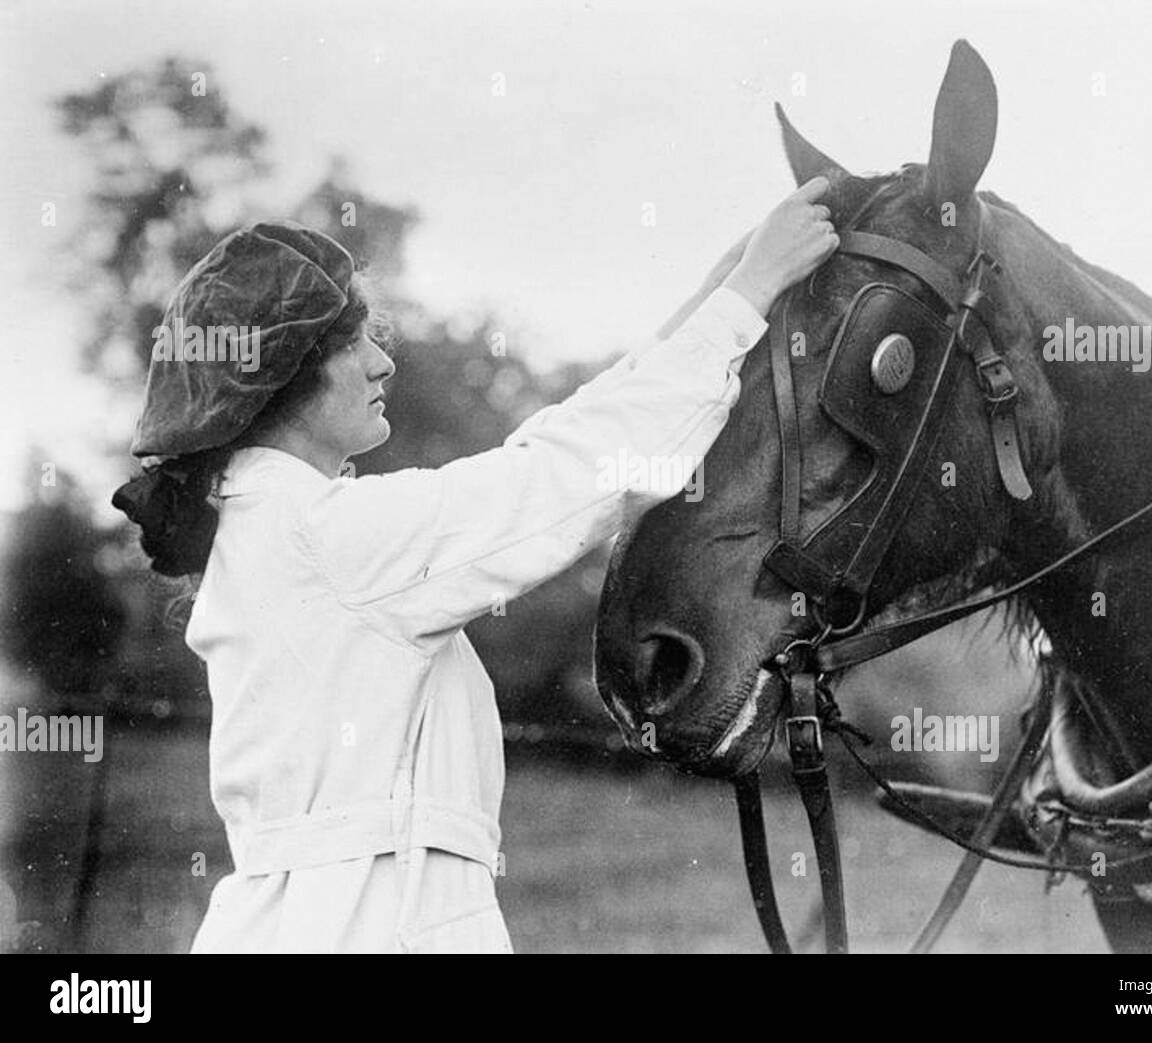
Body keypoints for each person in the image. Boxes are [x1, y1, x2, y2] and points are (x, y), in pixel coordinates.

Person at [112, 179, 836, 953]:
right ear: (285, 373)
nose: (382, 361)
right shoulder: (326, 537)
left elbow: (545, 453)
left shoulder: (280, 526)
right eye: (353, 342)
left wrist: (723, 297)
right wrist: (746, 295)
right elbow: (561, 478)